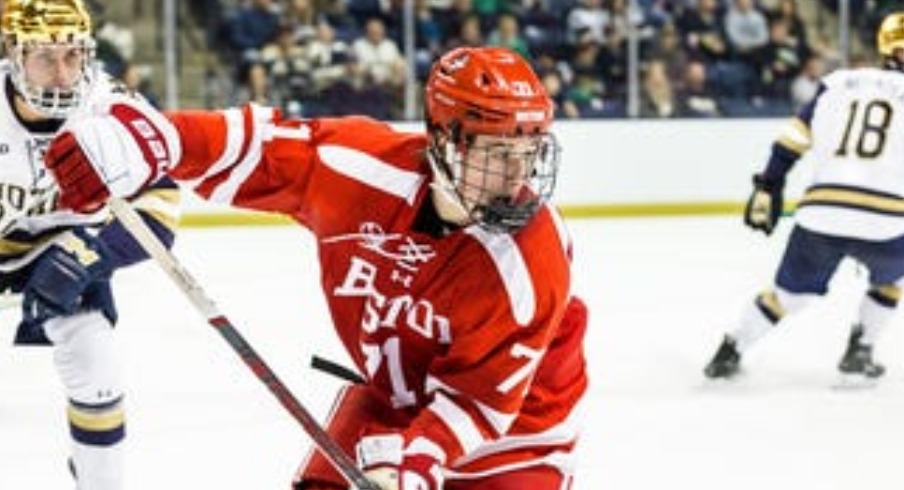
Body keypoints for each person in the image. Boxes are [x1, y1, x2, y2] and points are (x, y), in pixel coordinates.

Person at [43, 46, 589, 490]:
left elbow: (477, 401)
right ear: (444, 140)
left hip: (516, 439)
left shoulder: (530, 256)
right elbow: (258, 148)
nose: (516, 178)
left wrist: (415, 466)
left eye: (528, 155)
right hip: (388, 404)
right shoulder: (363, 170)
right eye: (497, 155)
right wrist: (157, 140)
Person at [0, 1, 180, 488]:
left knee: (98, 367)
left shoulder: (106, 104)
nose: (62, 75)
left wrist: (92, 255)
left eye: (72, 56)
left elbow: (161, 203)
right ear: (12, 53)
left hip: (59, 244)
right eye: (44, 57)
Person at [703, 12, 904, 381]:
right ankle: (860, 351)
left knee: (788, 296)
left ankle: (730, 349)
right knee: (892, 281)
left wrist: (769, 184)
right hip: (889, 218)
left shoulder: (837, 82)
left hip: (822, 210)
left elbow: (793, 137)